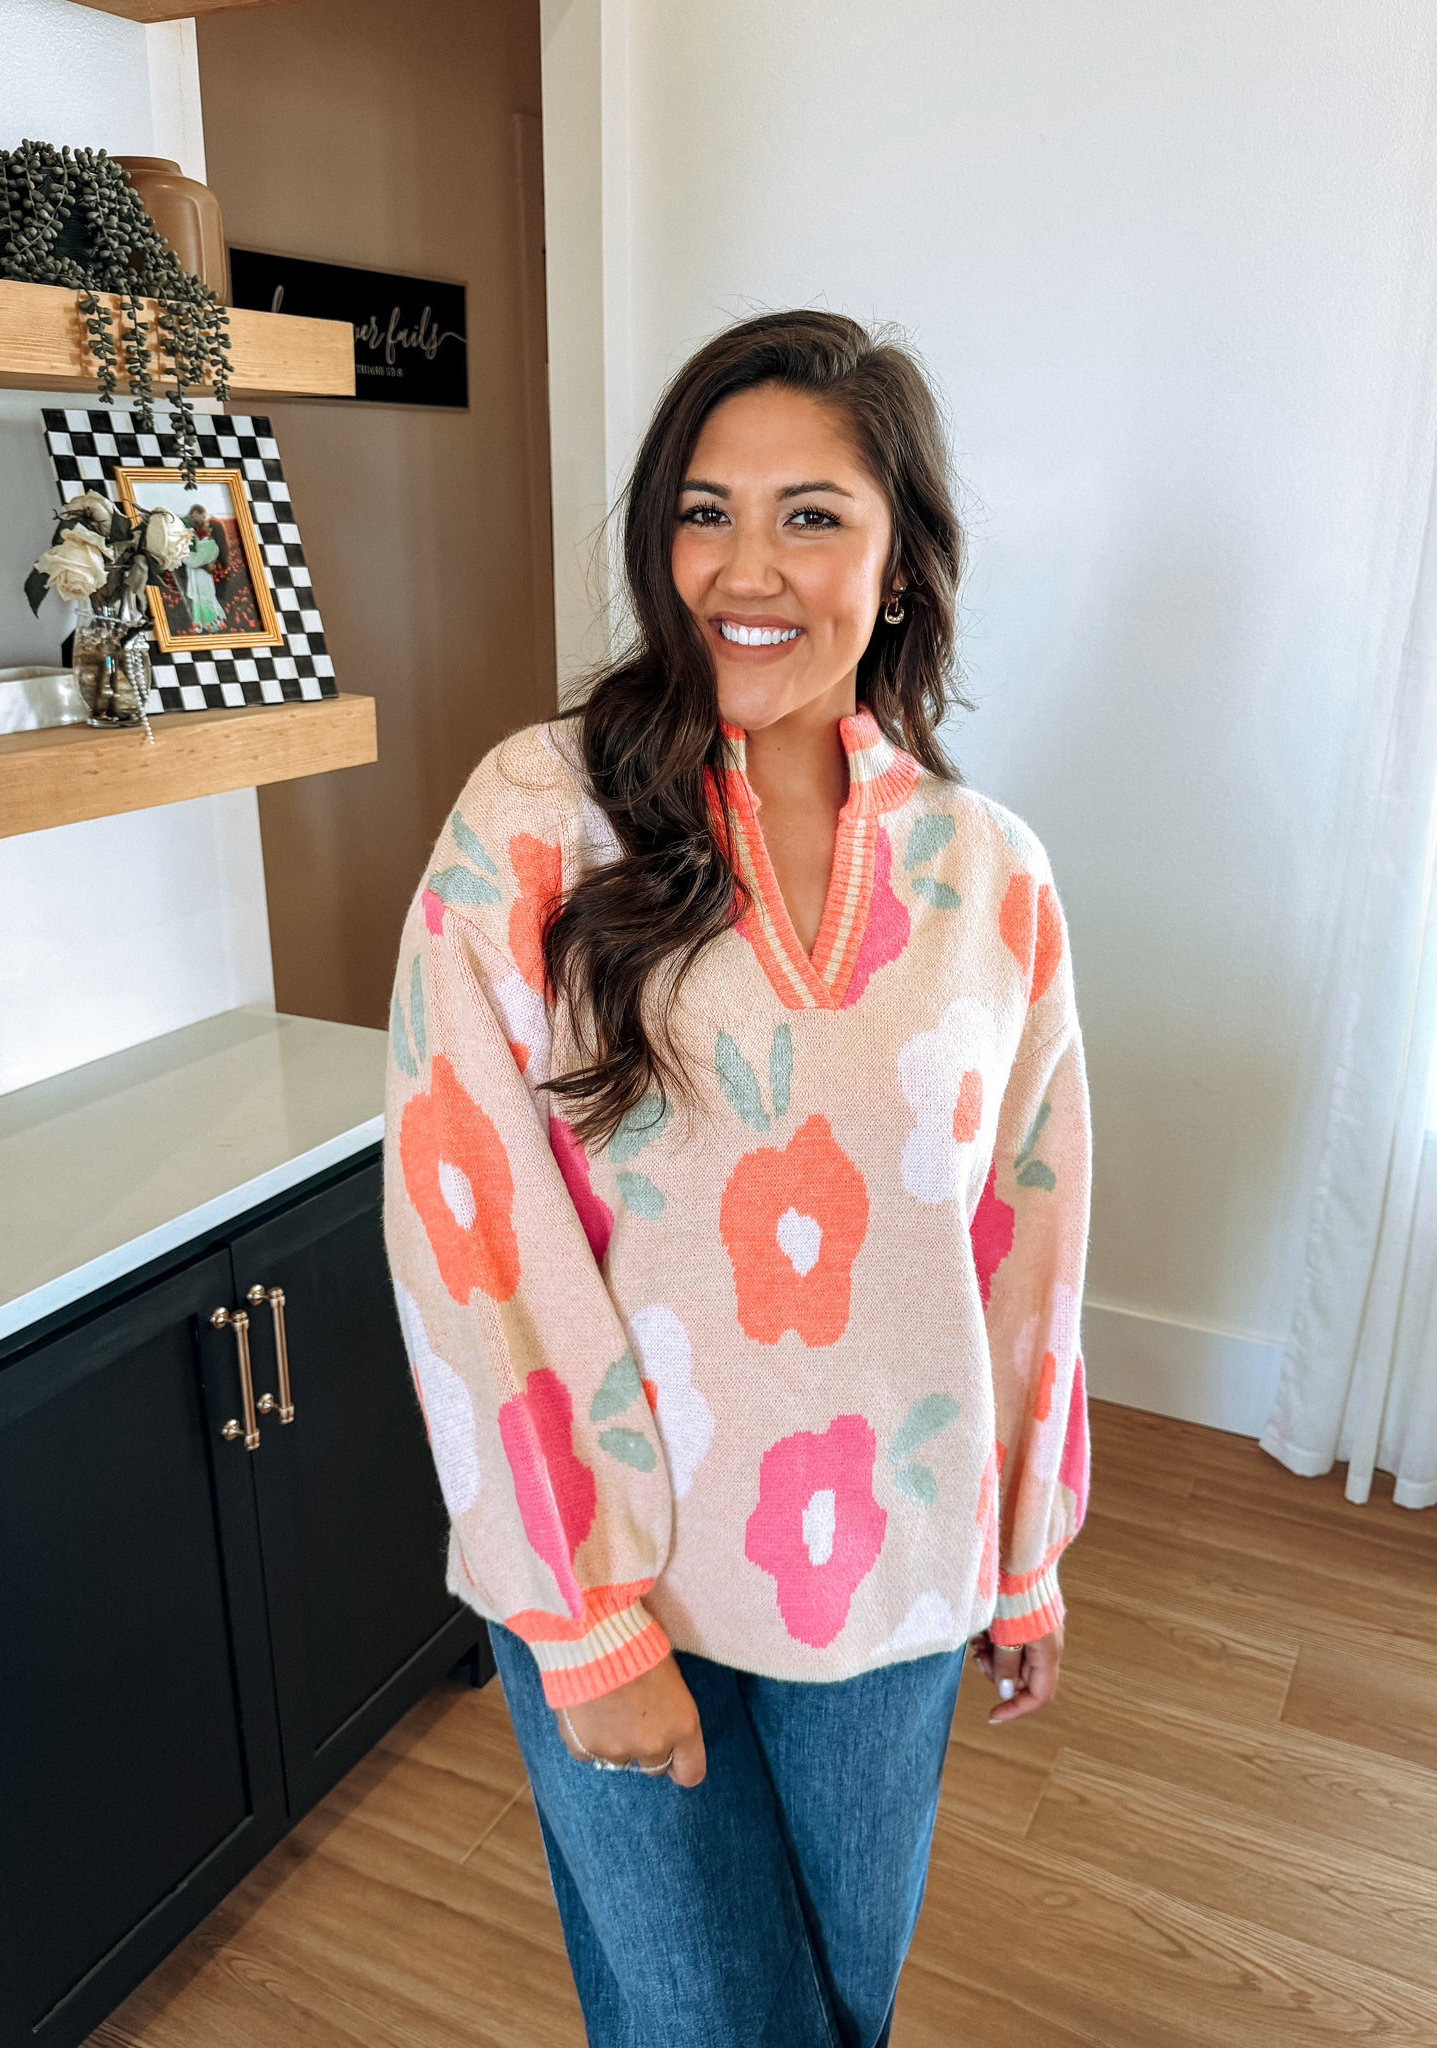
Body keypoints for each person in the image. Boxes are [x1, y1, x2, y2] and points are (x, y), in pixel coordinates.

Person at [383, 309, 1093, 2048]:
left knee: (837, 2011)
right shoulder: (534, 818)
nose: (746, 569)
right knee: (705, 2024)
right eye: (706, 512)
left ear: (901, 568)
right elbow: (464, 1215)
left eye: (811, 517)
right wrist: (584, 1617)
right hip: (628, 1577)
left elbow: (1026, 1232)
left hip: (893, 1578)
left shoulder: (991, 876)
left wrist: (1024, 1551)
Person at [177, 504, 226, 632]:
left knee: (204, 600)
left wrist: (182, 555)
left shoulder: (209, 545)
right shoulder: (202, 543)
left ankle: (211, 625)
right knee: (202, 601)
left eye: (205, 524)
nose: (200, 525)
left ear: (209, 530)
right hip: (199, 577)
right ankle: (205, 624)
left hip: (201, 579)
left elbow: (193, 561)